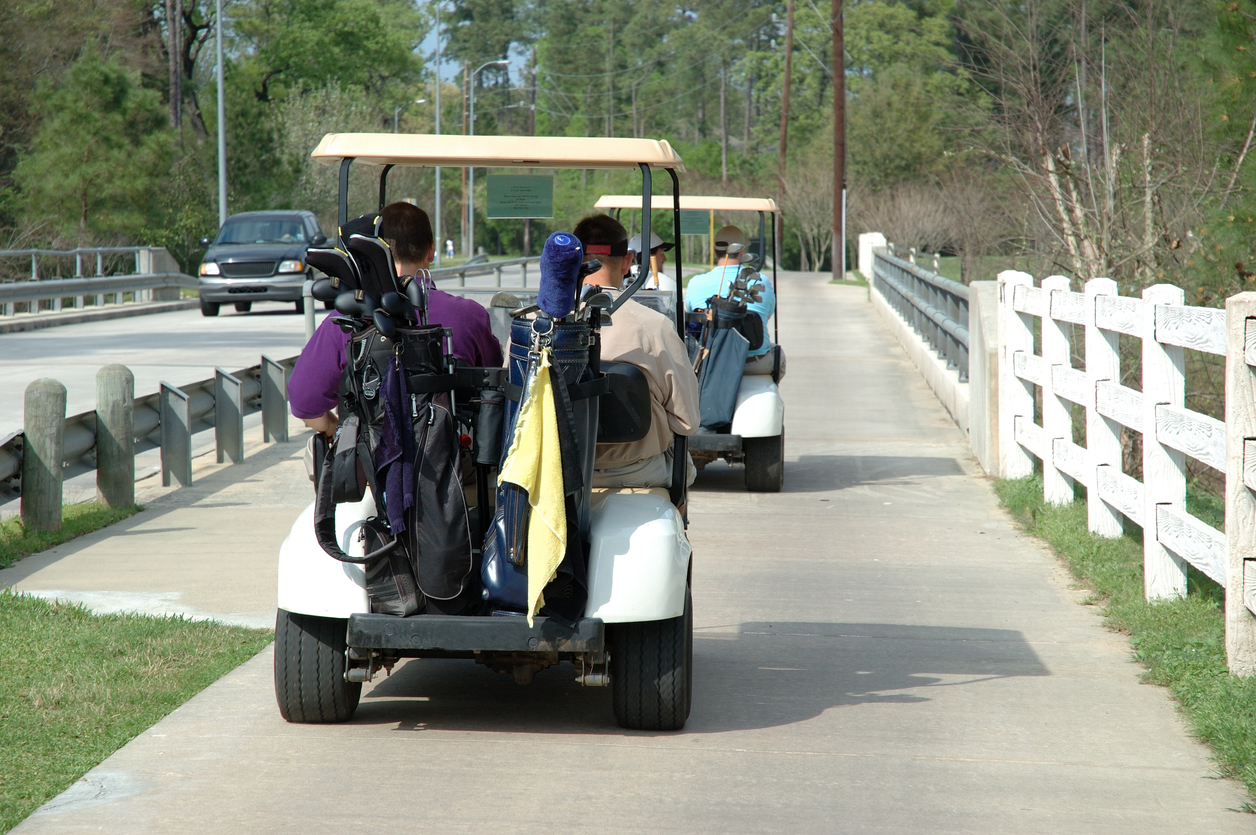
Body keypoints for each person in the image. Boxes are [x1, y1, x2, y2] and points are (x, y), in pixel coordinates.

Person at [290, 202, 504, 439]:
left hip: (374, 462)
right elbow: (492, 382)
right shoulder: (470, 314)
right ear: (431, 251)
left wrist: (333, 429)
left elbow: (305, 401)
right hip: (452, 459)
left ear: (373, 253)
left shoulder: (348, 318)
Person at [573, 214, 700, 488]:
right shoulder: (655, 327)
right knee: (685, 467)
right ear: (628, 261)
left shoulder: (535, 326)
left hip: (559, 471)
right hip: (634, 471)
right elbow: (687, 422)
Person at [684, 224, 782, 376]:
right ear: (742, 251)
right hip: (752, 364)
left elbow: (695, 317)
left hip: (711, 362)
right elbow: (766, 317)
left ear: (715, 252)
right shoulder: (761, 280)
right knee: (778, 356)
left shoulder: (695, 282)